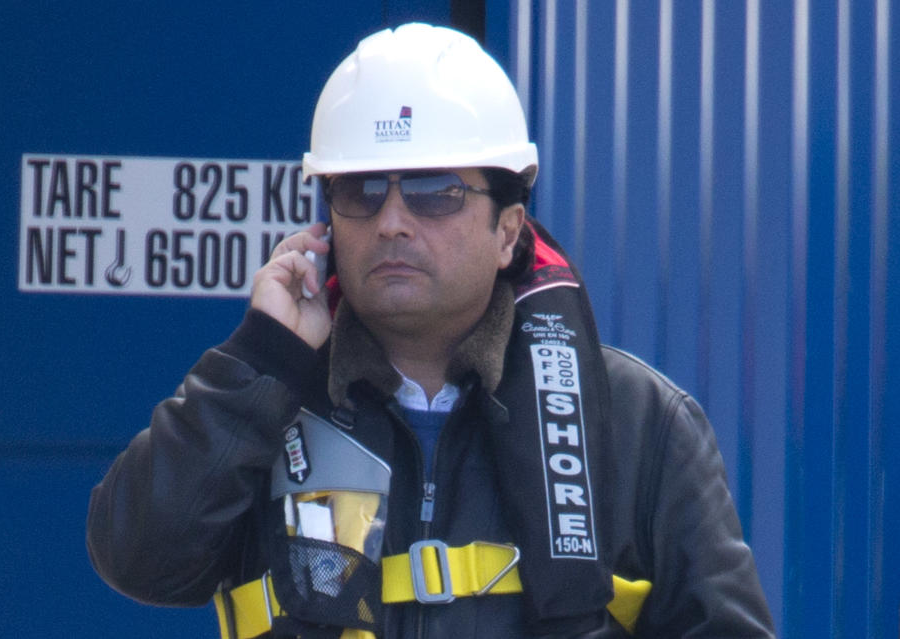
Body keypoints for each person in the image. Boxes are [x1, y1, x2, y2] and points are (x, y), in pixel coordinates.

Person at [87, 23, 775, 638]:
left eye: (433, 190)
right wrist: (261, 359)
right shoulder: (264, 395)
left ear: (507, 232)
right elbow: (136, 559)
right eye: (361, 190)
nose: (391, 220)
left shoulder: (639, 422)